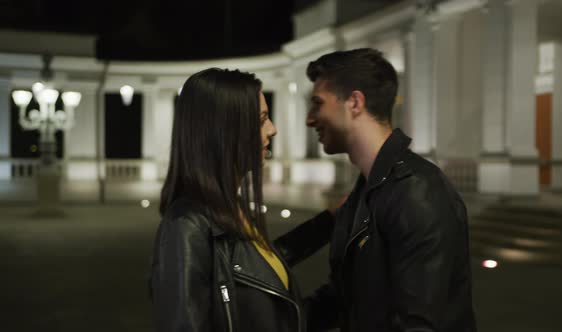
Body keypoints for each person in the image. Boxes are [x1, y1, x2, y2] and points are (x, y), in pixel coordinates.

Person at [282, 48, 477, 331]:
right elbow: (345, 298)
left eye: (317, 103)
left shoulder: (416, 191)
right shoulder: (369, 188)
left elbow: (418, 324)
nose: (310, 119)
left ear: (354, 103)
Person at [149, 68, 334, 332]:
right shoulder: (186, 227)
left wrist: (328, 222)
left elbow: (256, 267)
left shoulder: (228, 206)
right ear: (224, 131)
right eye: (261, 120)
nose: (273, 129)